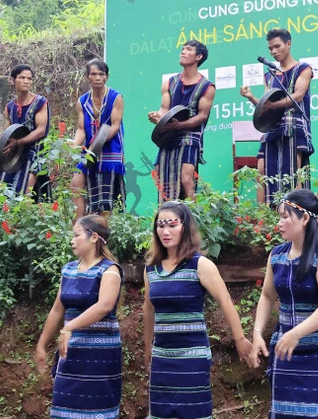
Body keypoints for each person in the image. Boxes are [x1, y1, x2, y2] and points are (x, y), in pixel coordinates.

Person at [142, 201, 253, 418]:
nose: (165, 231)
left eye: (172, 224)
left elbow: (225, 301)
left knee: (192, 411)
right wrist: (148, 349)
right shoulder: (151, 269)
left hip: (192, 356)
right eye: (160, 225)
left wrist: (240, 339)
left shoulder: (200, 264)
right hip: (162, 356)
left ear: (185, 227)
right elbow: (148, 310)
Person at [249, 189, 318, 418]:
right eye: (279, 217)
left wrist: (296, 333)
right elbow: (267, 296)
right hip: (286, 349)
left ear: (304, 219)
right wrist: (257, 332)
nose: (279, 223)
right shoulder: (277, 255)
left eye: (285, 217)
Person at [34, 215, 123, 418]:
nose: (72, 240)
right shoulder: (69, 269)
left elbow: (104, 305)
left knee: (98, 409)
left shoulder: (109, 270)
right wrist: (41, 345)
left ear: (94, 238)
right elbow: (57, 310)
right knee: (64, 409)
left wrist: (69, 327)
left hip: (100, 356)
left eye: (77, 235)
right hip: (70, 353)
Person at [241, 28, 314, 204]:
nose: (274, 51)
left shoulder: (303, 68)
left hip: (294, 126)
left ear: (288, 44)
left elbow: (297, 96)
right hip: (272, 128)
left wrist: (272, 105)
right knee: (262, 170)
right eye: (270, 49)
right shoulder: (269, 75)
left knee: (292, 173)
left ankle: (296, 211)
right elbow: (265, 107)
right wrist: (251, 97)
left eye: (277, 46)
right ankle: (264, 218)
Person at [147, 41, 216, 202]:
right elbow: (164, 109)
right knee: (162, 178)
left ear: (198, 57)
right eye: (182, 49)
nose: (183, 52)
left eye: (188, 50)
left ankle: (193, 217)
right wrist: (158, 118)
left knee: (186, 179)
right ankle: (165, 214)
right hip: (169, 135)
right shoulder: (169, 83)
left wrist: (180, 125)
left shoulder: (207, 86)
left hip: (190, 136)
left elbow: (202, 116)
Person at [0, 64, 50, 198]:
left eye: (29, 79)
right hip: (15, 156)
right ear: (12, 80)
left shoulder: (40, 102)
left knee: (25, 194)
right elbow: (7, 135)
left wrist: (18, 142)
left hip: (35, 154)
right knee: (4, 191)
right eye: (22, 78)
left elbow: (41, 131)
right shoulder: (10, 107)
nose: (26, 81)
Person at [69, 59, 126, 217]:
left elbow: (115, 126)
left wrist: (97, 143)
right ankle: (78, 227)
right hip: (88, 153)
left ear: (107, 76)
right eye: (94, 74)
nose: (98, 77)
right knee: (75, 187)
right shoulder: (82, 101)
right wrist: (74, 144)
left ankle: (102, 236)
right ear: (88, 76)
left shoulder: (116, 98)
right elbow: (81, 129)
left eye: (101, 74)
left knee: (104, 202)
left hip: (110, 153)